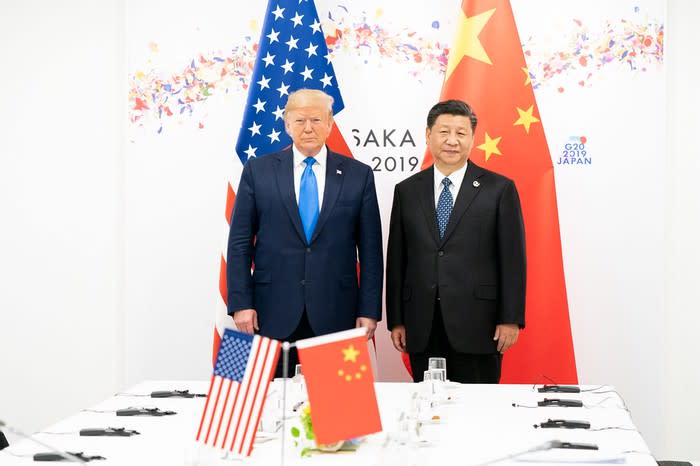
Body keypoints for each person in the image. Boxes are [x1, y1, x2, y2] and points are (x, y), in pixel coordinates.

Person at [227, 89, 383, 377]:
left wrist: (370, 310)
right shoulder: (257, 171)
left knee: (341, 415)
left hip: (337, 314)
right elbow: (239, 243)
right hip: (268, 313)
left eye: (316, 119)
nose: (308, 128)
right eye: (299, 121)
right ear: (287, 124)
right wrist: (240, 303)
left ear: (330, 124)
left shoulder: (358, 175)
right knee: (267, 412)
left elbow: (371, 251)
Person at [386, 99, 526, 384]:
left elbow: (512, 259)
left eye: (461, 133)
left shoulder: (499, 189)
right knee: (428, 409)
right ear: (428, 135)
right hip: (422, 325)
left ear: (472, 138)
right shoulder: (407, 191)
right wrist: (397, 319)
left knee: (477, 413)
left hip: (480, 324)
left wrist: (510, 317)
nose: (452, 141)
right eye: (444, 132)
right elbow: (397, 259)